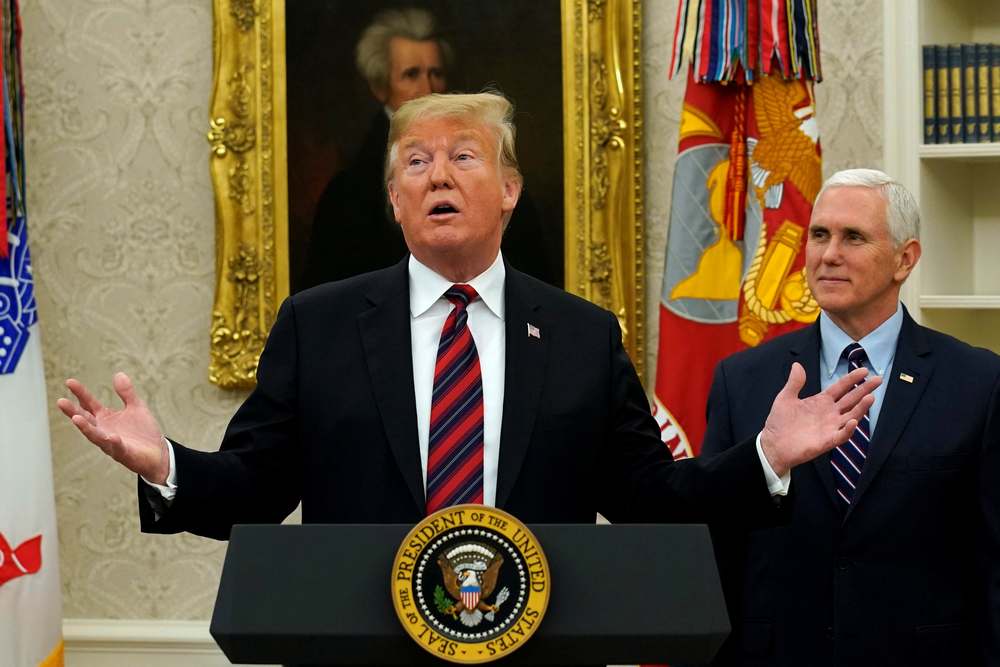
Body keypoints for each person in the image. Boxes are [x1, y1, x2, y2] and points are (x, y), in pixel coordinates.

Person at [58, 93, 876, 542]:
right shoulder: (320, 323)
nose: (436, 174)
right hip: (359, 648)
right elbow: (256, 490)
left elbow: (649, 499)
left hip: (541, 646)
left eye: (462, 156)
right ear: (392, 198)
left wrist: (766, 454)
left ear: (510, 190)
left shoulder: (582, 336)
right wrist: (164, 460)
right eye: (415, 162)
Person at [702, 169, 1000, 666]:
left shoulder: (978, 381)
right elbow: (715, 551)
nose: (828, 254)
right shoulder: (743, 380)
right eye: (819, 235)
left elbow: (993, 561)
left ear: (905, 259)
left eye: (853, 237)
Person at [300, 8, 555, 290]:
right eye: (411, 75)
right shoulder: (347, 195)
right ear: (379, 86)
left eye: (435, 73)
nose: (427, 87)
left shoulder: (498, 179)